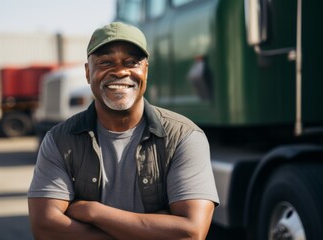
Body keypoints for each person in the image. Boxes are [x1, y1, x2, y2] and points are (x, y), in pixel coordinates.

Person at [28, 22, 219, 240]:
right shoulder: (60, 140)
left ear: (145, 70)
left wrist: (93, 212)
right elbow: (45, 228)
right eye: (105, 62)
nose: (120, 71)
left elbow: (190, 233)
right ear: (88, 72)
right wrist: (154, 229)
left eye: (132, 62)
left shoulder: (184, 137)